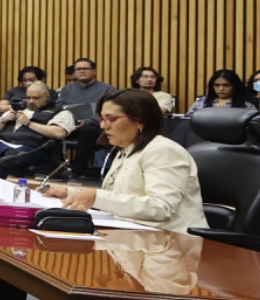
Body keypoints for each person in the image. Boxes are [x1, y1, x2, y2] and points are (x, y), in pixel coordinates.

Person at [44, 90, 207, 232]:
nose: (103, 126)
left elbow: (161, 208)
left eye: (111, 119)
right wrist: (72, 194)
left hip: (173, 244)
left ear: (140, 121)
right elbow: (121, 197)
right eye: (101, 118)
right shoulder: (125, 149)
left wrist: (96, 197)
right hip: (135, 237)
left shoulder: (164, 150)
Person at [0, 82, 74, 182]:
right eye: (28, 98)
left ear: (47, 97)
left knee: (5, 155)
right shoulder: (18, 108)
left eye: (36, 98)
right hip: (6, 144)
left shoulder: (60, 112)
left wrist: (28, 123)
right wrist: (5, 120)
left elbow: (59, 133)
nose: (31, 101)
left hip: (34, 148)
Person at [58, 58, 114, 176]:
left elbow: (109, 111)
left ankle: (77, 170)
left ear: (94, 71)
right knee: (51, 130)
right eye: (78, 69)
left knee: (87, 130)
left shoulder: (107, 89)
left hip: (96, 127)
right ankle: (52, 168)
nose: (82, 71)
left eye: (85, 68)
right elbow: (58, 107)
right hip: (70, 125)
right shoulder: (66, 90)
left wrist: (87, 121)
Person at [187, 69, 252, 113]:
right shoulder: (201, 102)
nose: (221, 89)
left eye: (226, 85)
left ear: (235, 86)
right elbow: (186, 121)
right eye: (216, 85)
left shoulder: (246, 105)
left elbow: (257, 125)